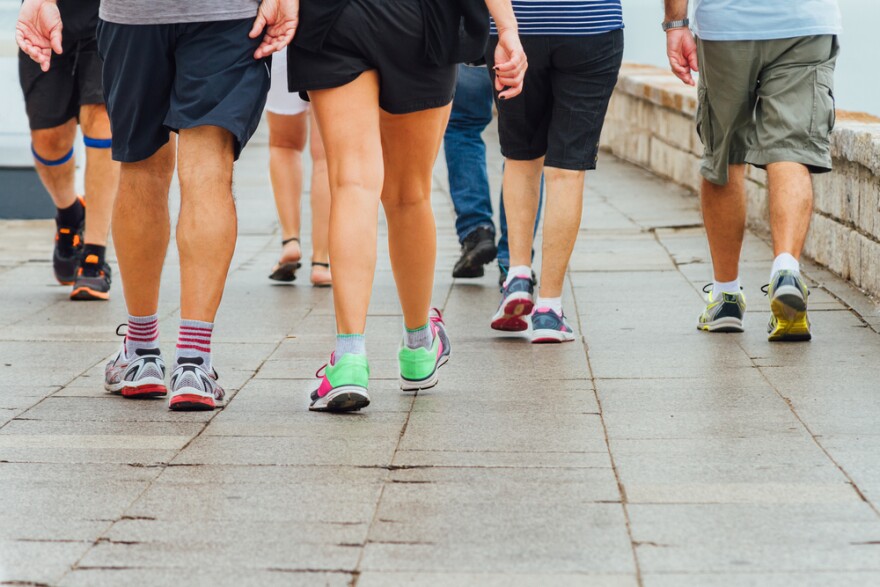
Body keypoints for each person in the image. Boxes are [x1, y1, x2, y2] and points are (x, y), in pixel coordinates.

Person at [18, 0, 297, 410]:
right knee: (208, 168)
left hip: (135, 14)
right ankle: (194, 365)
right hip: (224, 13)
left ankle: (142, 354)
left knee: (141, 169)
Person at [289, 0, 527, 412]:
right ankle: (419, 347)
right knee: (409, 194)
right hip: (421, 19)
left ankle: (348, 359)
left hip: (333, 18)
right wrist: (506, 29)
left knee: (352, 183)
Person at [664, 0, 841, 341]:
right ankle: (786, 271)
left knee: (725, 155)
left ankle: (726, 297)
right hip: (805, 22)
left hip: (727, 24)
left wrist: (676, 24)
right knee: (791, 150)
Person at [487, 0, 624, 343]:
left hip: (518, 27)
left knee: (520, 158)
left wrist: (505, 27)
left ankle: (517, 276)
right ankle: (548, 310)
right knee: (566, 171)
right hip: (590, 26)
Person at [18, 0, 117, 301]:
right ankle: (70, 212)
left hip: (112, 15)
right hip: (44, 10)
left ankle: (94, 255)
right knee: (48, 139)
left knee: (101, 118)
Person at [443, 63, 543, 284]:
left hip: (474, 47)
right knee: (528, 145)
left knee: (463, 127)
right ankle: (514, 258)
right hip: (524, 48)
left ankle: (476, 231)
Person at [266, 49, 332, 287]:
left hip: (284, 41)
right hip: (328, 38)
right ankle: (321, 262)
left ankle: (290, 241)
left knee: (284, 145)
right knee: (325, 157)